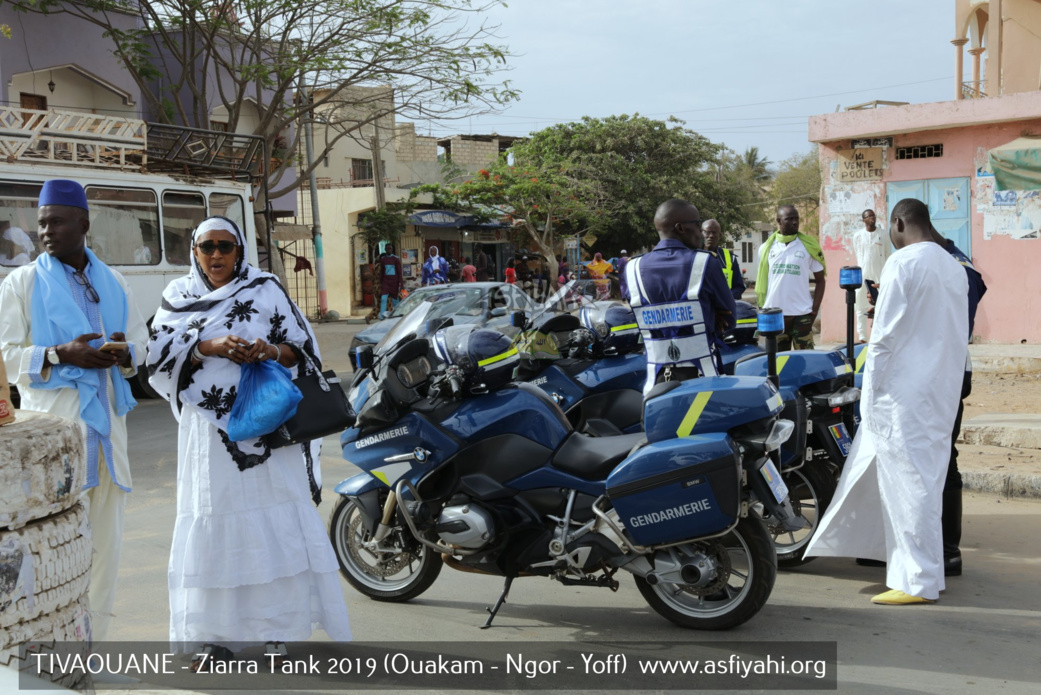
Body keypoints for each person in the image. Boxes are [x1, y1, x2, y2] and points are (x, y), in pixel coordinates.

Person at [145, 216, 351, 668]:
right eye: (206, 247)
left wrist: (267, 350)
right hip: (208, 433)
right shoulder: (179, 297)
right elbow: (157, 359)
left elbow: (302, 350)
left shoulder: (266, 288)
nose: (216, 256)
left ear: (239, 250)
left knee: (272, 523)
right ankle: (215, 634)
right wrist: (208, 346)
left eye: (225, 246)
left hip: (268, 425)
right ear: (194, 252)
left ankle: (278, 628)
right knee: (216, 523)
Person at [0, 179, 149, 640]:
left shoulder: (116, 282)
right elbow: (4, 356)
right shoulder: (22, 282)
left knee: (107, 547)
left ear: (84, 223)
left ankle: (95, 652)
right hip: (57, 440)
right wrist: (59, 354)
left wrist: (124, 356)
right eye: (42, 223)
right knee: (52, 555)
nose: (47, 231)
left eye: (57, 221)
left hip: (108, 435)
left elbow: (140, 347)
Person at [805, 199, 968, 605]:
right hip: (939, 391)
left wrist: (869, 394)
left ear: (897, 223)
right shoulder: (953, 265)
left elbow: (883, 338)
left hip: (903, 394)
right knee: (922, 481)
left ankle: (917, 581)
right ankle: (917, 569)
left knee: (909, 484)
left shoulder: (904, 262)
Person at [624, 199, 736, 395]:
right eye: (697, 224)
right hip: (702, 379)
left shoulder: (631, 269)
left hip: (655, 384)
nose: (701, 232)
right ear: (681, 228)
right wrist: (706, 316)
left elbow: (638, 315)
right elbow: (729, 320)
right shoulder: (705, 263)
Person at [929, 224, 987, 577]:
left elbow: (952, 327)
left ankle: (948, 550)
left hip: (945, 371)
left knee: (943, 459)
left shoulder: (950, 266)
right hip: (950, 369)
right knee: (943, 457)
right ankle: (945, 549)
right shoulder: (957, 261)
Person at [755, 205, 826, 350]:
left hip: (802, 315)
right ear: (779, 221)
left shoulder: (808, 246)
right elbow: (764, 281)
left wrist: (814, 310)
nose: (795, 222)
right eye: (789, 219)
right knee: (777, 364)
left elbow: (820, 280)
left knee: (805, 363)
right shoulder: (766, 248)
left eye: (796, 219)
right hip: (775, 315)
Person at [852, 209, 891, 341]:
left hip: (879, 273)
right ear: (864, 220)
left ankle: (877, 334)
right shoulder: (858, 236)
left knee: (880, 303)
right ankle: (862, 336)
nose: (872, 218)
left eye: (873, 215)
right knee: (860, 304)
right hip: (863, 273)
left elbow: (887, 254)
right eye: (869, 216)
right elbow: (858, 254)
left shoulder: (883, 234)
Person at [701, 220, 746, 301]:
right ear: (700, 233)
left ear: (720, 235)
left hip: (723, 309)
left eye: (714, 233)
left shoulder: (730, 257)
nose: (711, 236)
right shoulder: (691, 256)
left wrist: (725, 299)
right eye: (707, 232)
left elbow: (739, 287)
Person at [377, 243, 403, 318]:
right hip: (385, 282)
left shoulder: (396, 259)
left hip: (394, 282)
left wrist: (401, 284)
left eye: (390, 249)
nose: (389, 250)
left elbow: (399, 272)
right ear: (385, 249)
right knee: (383, 298)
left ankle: (398, 314)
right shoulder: (383, 259)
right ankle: (382, 316)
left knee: (395, 300)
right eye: (387, 248)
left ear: (392, 250)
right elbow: (382, 272)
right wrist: (380, 283)